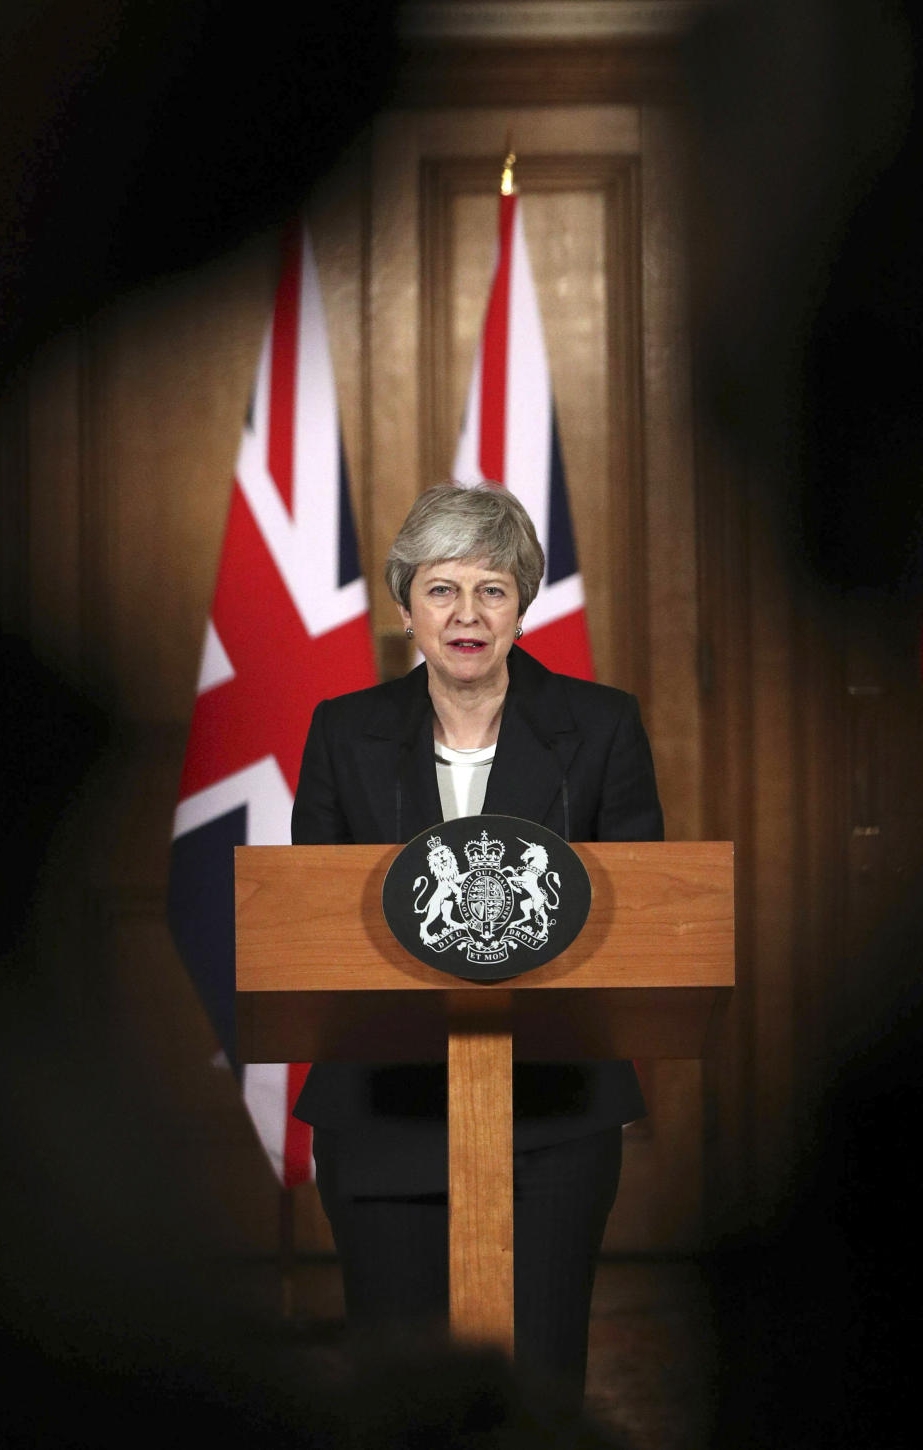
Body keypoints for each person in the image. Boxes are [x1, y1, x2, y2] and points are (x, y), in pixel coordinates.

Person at [291, 483, 663, 1423]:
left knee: (539, 1390)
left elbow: (646, 911)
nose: (466, 615)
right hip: (382, 1104)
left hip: (554, 1105)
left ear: (523, 604)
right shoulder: (343, 729)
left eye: (492, 590)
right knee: (399, 1393)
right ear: (405, 605)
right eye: (441, 589)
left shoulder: (605, 725)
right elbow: (315, 916)